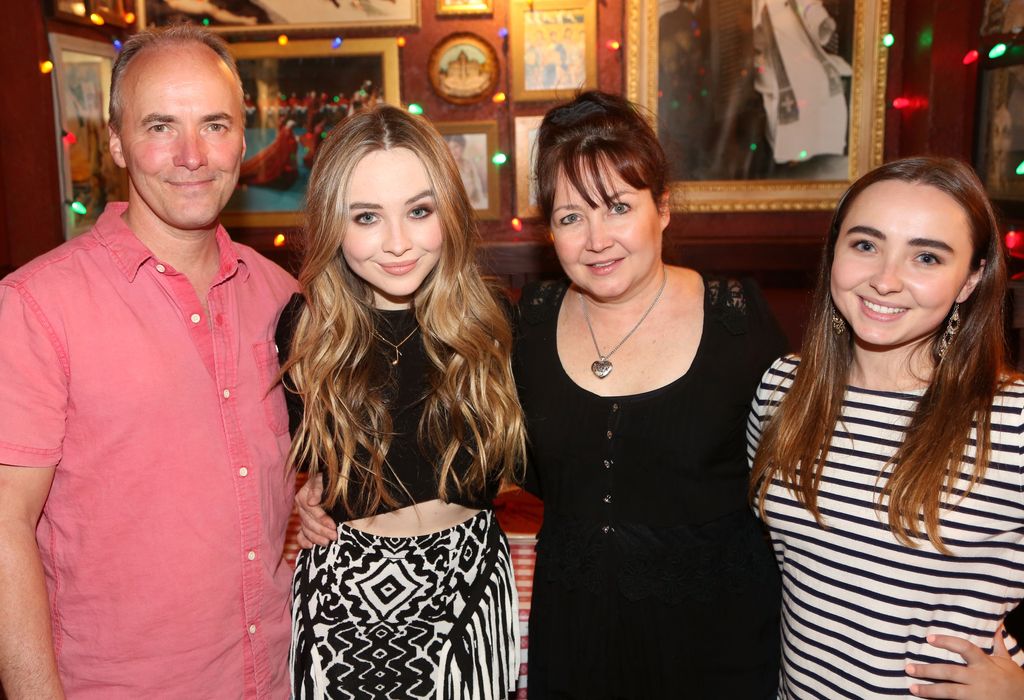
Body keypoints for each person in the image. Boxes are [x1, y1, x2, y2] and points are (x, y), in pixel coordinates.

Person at [295, 91, 784, 698]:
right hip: (569, 634)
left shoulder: (738, 321)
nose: (596, 238)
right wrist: (309, 491)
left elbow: (807, 479)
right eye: (571, 216)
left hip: (714, 642)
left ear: (664, 206)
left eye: (617, 207)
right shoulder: (527, 322)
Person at [0, 26, 296, 698]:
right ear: (114, 142)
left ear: (243, 140)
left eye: (214, 124)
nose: (192, 155)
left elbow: (286, 475)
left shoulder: (285, 298)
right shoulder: (35, 307)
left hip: (273, 679)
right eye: (161, 125)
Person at [748, 157, 1024, 699]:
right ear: (836, 253)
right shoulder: (783, 389)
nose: (886, 280)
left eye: (926, 256)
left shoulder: (1011, 419)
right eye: (866, 245)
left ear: (970, 279)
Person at [277, 104, 526, 699]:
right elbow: (293, 460)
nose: (396, 244)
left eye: (419, 211)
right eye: (366, 216)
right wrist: (302, 499)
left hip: (467, 587)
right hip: (339, 593)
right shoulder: (306, 329)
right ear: (333, 223)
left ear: (450, 212)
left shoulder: (493, 321)